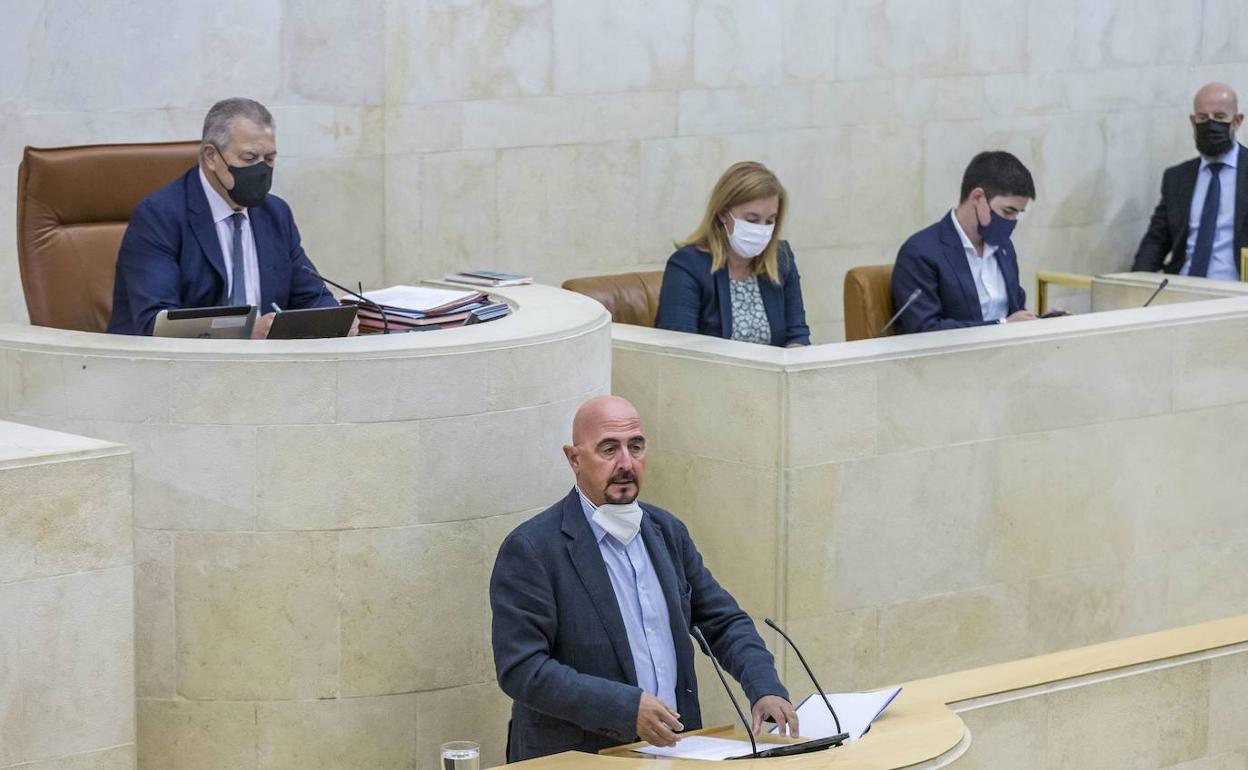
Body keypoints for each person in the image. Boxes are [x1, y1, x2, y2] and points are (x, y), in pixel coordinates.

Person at [490, 395, 798, 762]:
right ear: (574, 458)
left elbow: (723, 621)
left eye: (635, 447)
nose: (625, 463)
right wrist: (625, 708)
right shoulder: (533, 549)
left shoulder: (666, 531)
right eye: (608, 449)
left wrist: (764, 687)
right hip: (580, 757)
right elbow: (523, 669)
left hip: (677, 751)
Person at [108, 97, 342, 337]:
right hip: (177, 369)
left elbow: (313, 297)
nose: (261, 171)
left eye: (269, 159)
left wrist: (335, 321)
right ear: (211, 156)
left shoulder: (275, 214)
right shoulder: (159, 217)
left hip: (267, 367)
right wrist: (247, 334)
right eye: (249, 159)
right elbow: (156, 325)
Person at [654, 161, 810, 347]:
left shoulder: (781, 258)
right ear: (722, 214)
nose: (761, 230)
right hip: (709, 375)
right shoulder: (687, 265)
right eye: (751, 219)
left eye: (770, 220)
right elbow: (679, 351)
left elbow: (797, 335)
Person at [891, 151, 1037, 333]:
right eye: (1007, 211)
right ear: (977, 198)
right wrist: (1001, 326)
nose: (1012, 220)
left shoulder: (1003, 247)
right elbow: (924, 330)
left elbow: (1016, 311)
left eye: (1017, 213)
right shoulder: (920, 252)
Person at [1133, 82, 1247, 280]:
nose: (1210, 125)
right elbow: (1157, 240)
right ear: (1193, 121)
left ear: (1237, 121)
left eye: (1220, 117)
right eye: (1203, 118)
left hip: (1237, 293)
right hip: (1183, 288)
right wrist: (1132, 287)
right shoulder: (1177, 178)